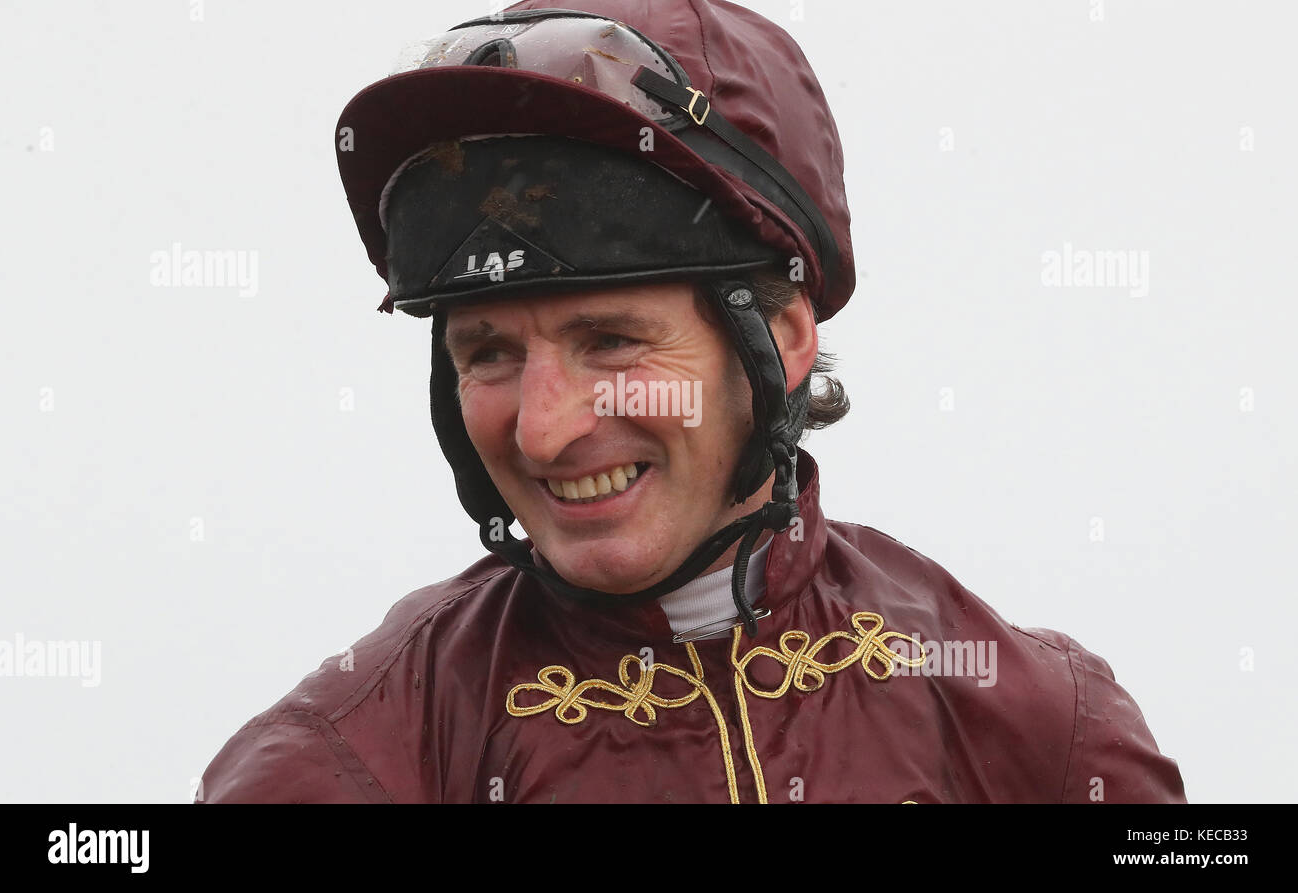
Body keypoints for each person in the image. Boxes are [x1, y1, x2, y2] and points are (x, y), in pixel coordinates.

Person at [197, 0, 1186, 804]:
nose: (544, 427)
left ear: (783, 339)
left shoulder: (1052, 733)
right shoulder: (334, 768)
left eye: (611, 341)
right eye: (489, 352)